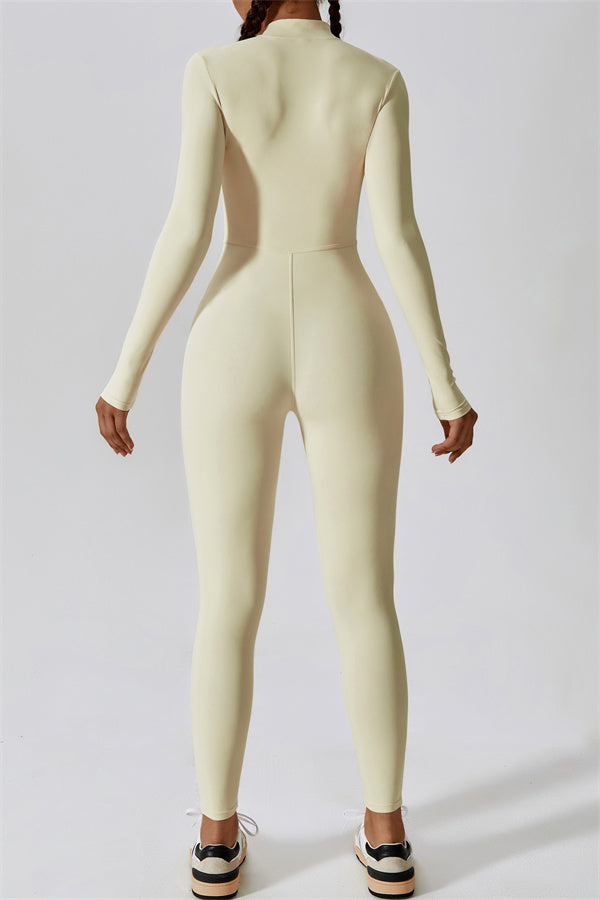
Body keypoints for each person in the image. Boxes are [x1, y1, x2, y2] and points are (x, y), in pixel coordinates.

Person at [96, 1, 478, 896]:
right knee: (365, 597)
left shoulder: (213, 72)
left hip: (234, 330)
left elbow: (189, 228)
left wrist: (124, 373)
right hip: (350, 328)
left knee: (227, 599)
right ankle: (386, 836)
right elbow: (398, 236)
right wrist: (445, 383)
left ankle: (216, 840)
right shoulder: (376, 80)